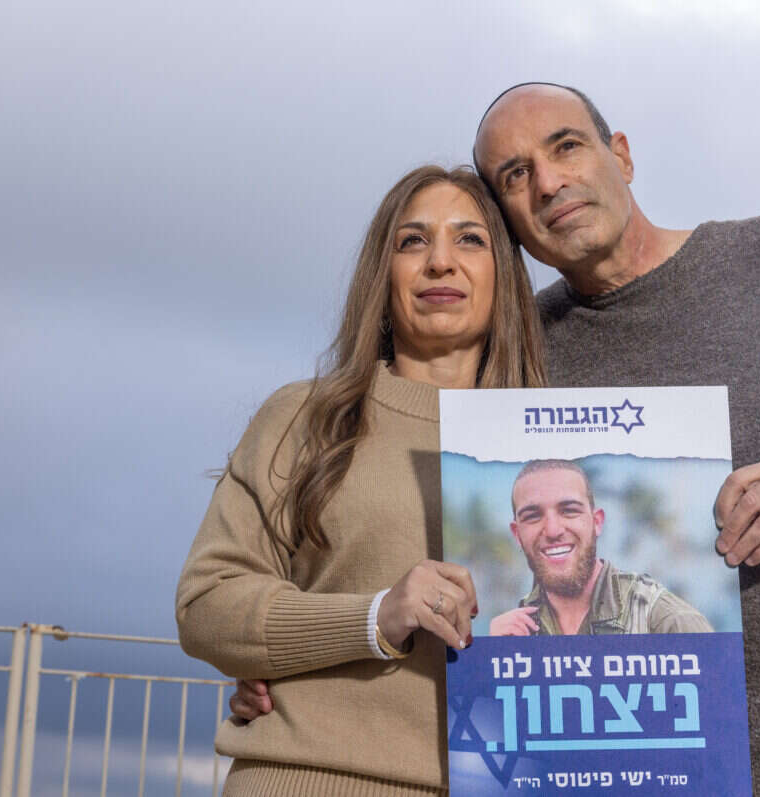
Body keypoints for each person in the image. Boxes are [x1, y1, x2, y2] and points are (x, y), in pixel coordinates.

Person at [472, 83, 760, 794]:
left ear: (621, 156)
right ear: (506, 221)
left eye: (566, 147)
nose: (548, 183)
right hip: (641, 771)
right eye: (516, 175)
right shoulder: (518, 355)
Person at [176, 165, 547, 796]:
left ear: (504, 277)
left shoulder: (559, 447)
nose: (440, 262)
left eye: (469, 239)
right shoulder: (303, 416)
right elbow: (206, 606)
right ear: (383, 273)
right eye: (413, 241)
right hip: (308, 780)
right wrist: (375, 615)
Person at [489, 459, 712, 636]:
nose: (553, 530)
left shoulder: (667, 622)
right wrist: (490, 657)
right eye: (532, 516)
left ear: (597, 522)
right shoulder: (514, 633)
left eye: (569, 510)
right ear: (517, 534)